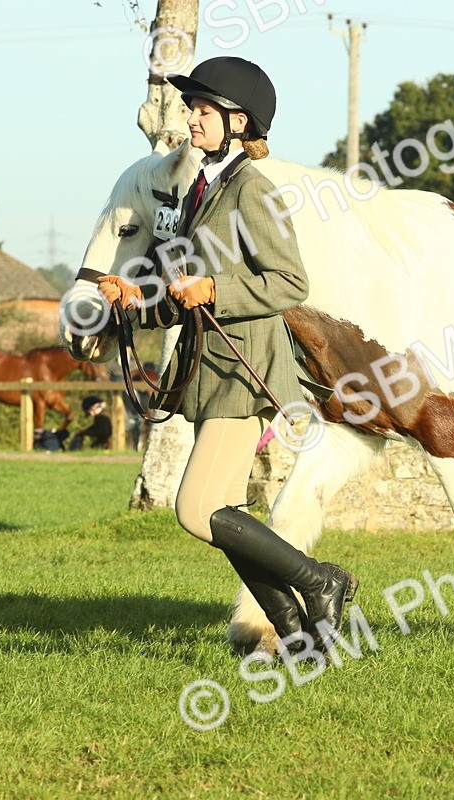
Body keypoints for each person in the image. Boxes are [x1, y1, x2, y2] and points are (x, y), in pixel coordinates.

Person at [96, 57, 355, 652]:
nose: (193, 121)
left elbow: (290, 283)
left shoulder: (252, 190)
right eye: (192, 110)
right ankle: (296, 635)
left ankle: (322, 581)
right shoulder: (201, 192)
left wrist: (216, 289)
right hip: (207, 365)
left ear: (239, 122)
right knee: (225, 512)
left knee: (196, 510)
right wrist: (138, 300)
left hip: (244, 364)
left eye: (204, 111)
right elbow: (187, 294)